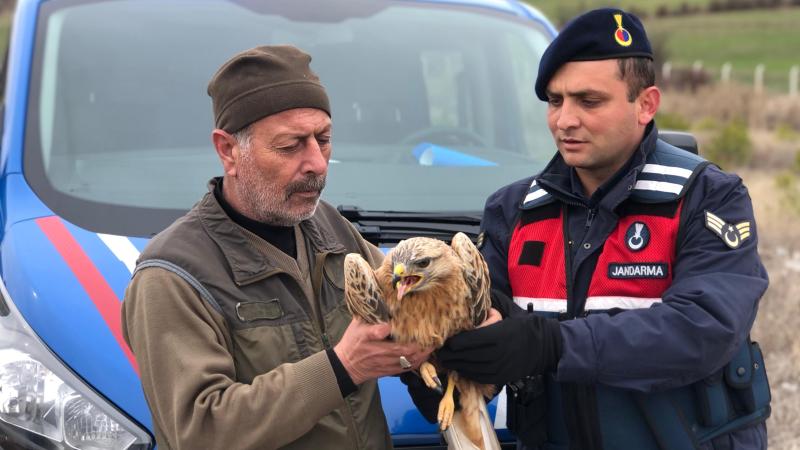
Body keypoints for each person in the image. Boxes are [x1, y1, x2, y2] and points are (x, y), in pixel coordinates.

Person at [432, 8, 771, 450]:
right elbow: (482, 331)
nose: (564, 120)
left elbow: (703, 328)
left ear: (646, 104)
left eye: (588, 102)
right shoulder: (513, 211)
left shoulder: (707, 197)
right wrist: (442, 362)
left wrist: (552, 344)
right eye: (555, 101)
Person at [121, 45, 431, 450]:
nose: (317, 163)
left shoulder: (333, 230)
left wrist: (474, 331)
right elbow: (199, 431)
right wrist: (343, 367)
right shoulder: (171, 276)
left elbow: (413, 306)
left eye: (324, 139)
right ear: (228, 151)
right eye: (290, 146)